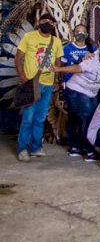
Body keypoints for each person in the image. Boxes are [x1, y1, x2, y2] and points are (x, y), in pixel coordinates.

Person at [52, 44, 100, 161]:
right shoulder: (92, 60)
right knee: (86, 119)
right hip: (77, 90)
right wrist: (59, 69)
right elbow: (77, 68)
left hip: (92, 93)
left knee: (80, 119)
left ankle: (74, 147)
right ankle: (88, 151)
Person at [15, 13, 63, 162]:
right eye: (44, 21)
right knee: (28, 118)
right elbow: (18, 58)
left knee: (40, 118)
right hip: (32, 84)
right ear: (39, 22)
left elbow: (58, 62)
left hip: (48, 85)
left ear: (54, 25)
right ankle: (23, 148)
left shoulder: (56, 42)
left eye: (50, 21)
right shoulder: (29, 37)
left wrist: (56, 81)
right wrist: (23, 77)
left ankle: (36, 147)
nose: (47, 23)